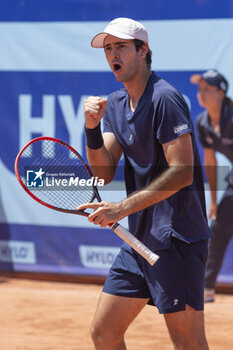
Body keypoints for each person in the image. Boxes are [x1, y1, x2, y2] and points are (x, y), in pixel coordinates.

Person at [78, 18, 212, 350]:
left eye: (120, 46)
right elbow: (104, 174)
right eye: (108, 48)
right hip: (138, 241)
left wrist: (121, 208)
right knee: (104, 333)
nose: (112, 54)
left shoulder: (165, 98)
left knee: (188, 342)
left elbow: (183, 172)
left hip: (177, 241)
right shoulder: (117, 105)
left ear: (143, 50)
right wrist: (92, 129)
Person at [190, 70, 233, 303]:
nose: (202, 94)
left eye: (207, 89)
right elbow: (210, 161)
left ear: (221, 92)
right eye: (200, 89)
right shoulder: (203, 123)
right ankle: (206, 289)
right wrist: (214, 201)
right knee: (216, 228)